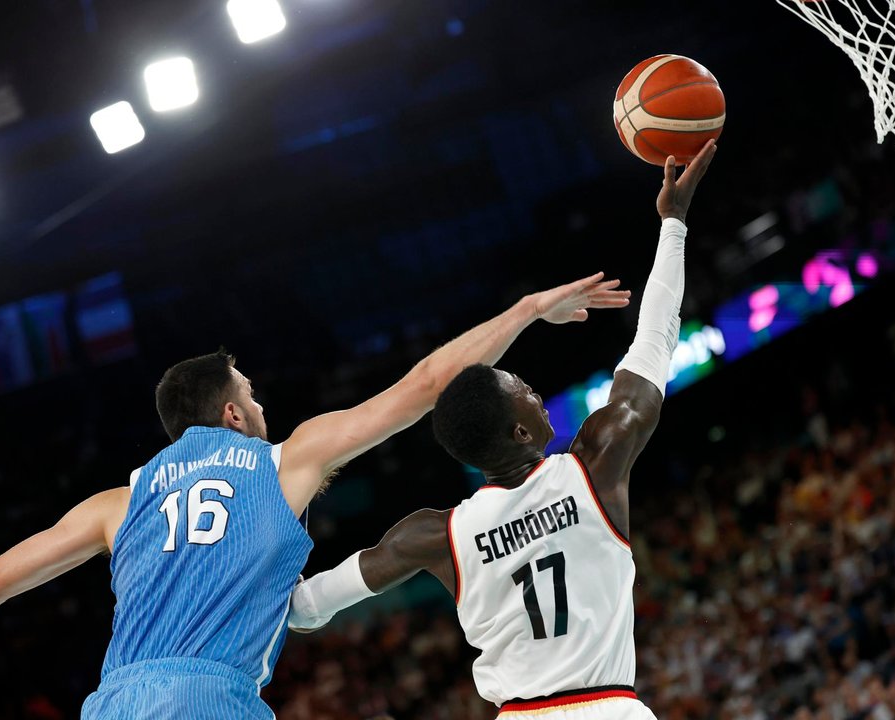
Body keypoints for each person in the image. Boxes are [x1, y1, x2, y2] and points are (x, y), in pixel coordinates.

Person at [0, 274, 632, 720]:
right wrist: (529, 309)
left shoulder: (113, 507)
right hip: (211, 699)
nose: (260, 407)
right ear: (231, 415)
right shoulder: (282, 462)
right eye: (251, 397)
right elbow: (423, 386)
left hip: (113, 703)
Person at [287, 140, 717, 720]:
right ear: (519, 432)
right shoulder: (592, 466)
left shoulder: (435, 535)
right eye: (526, 392)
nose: (537, 395)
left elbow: (308, 608)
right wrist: (673, 224)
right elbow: (655, 340)